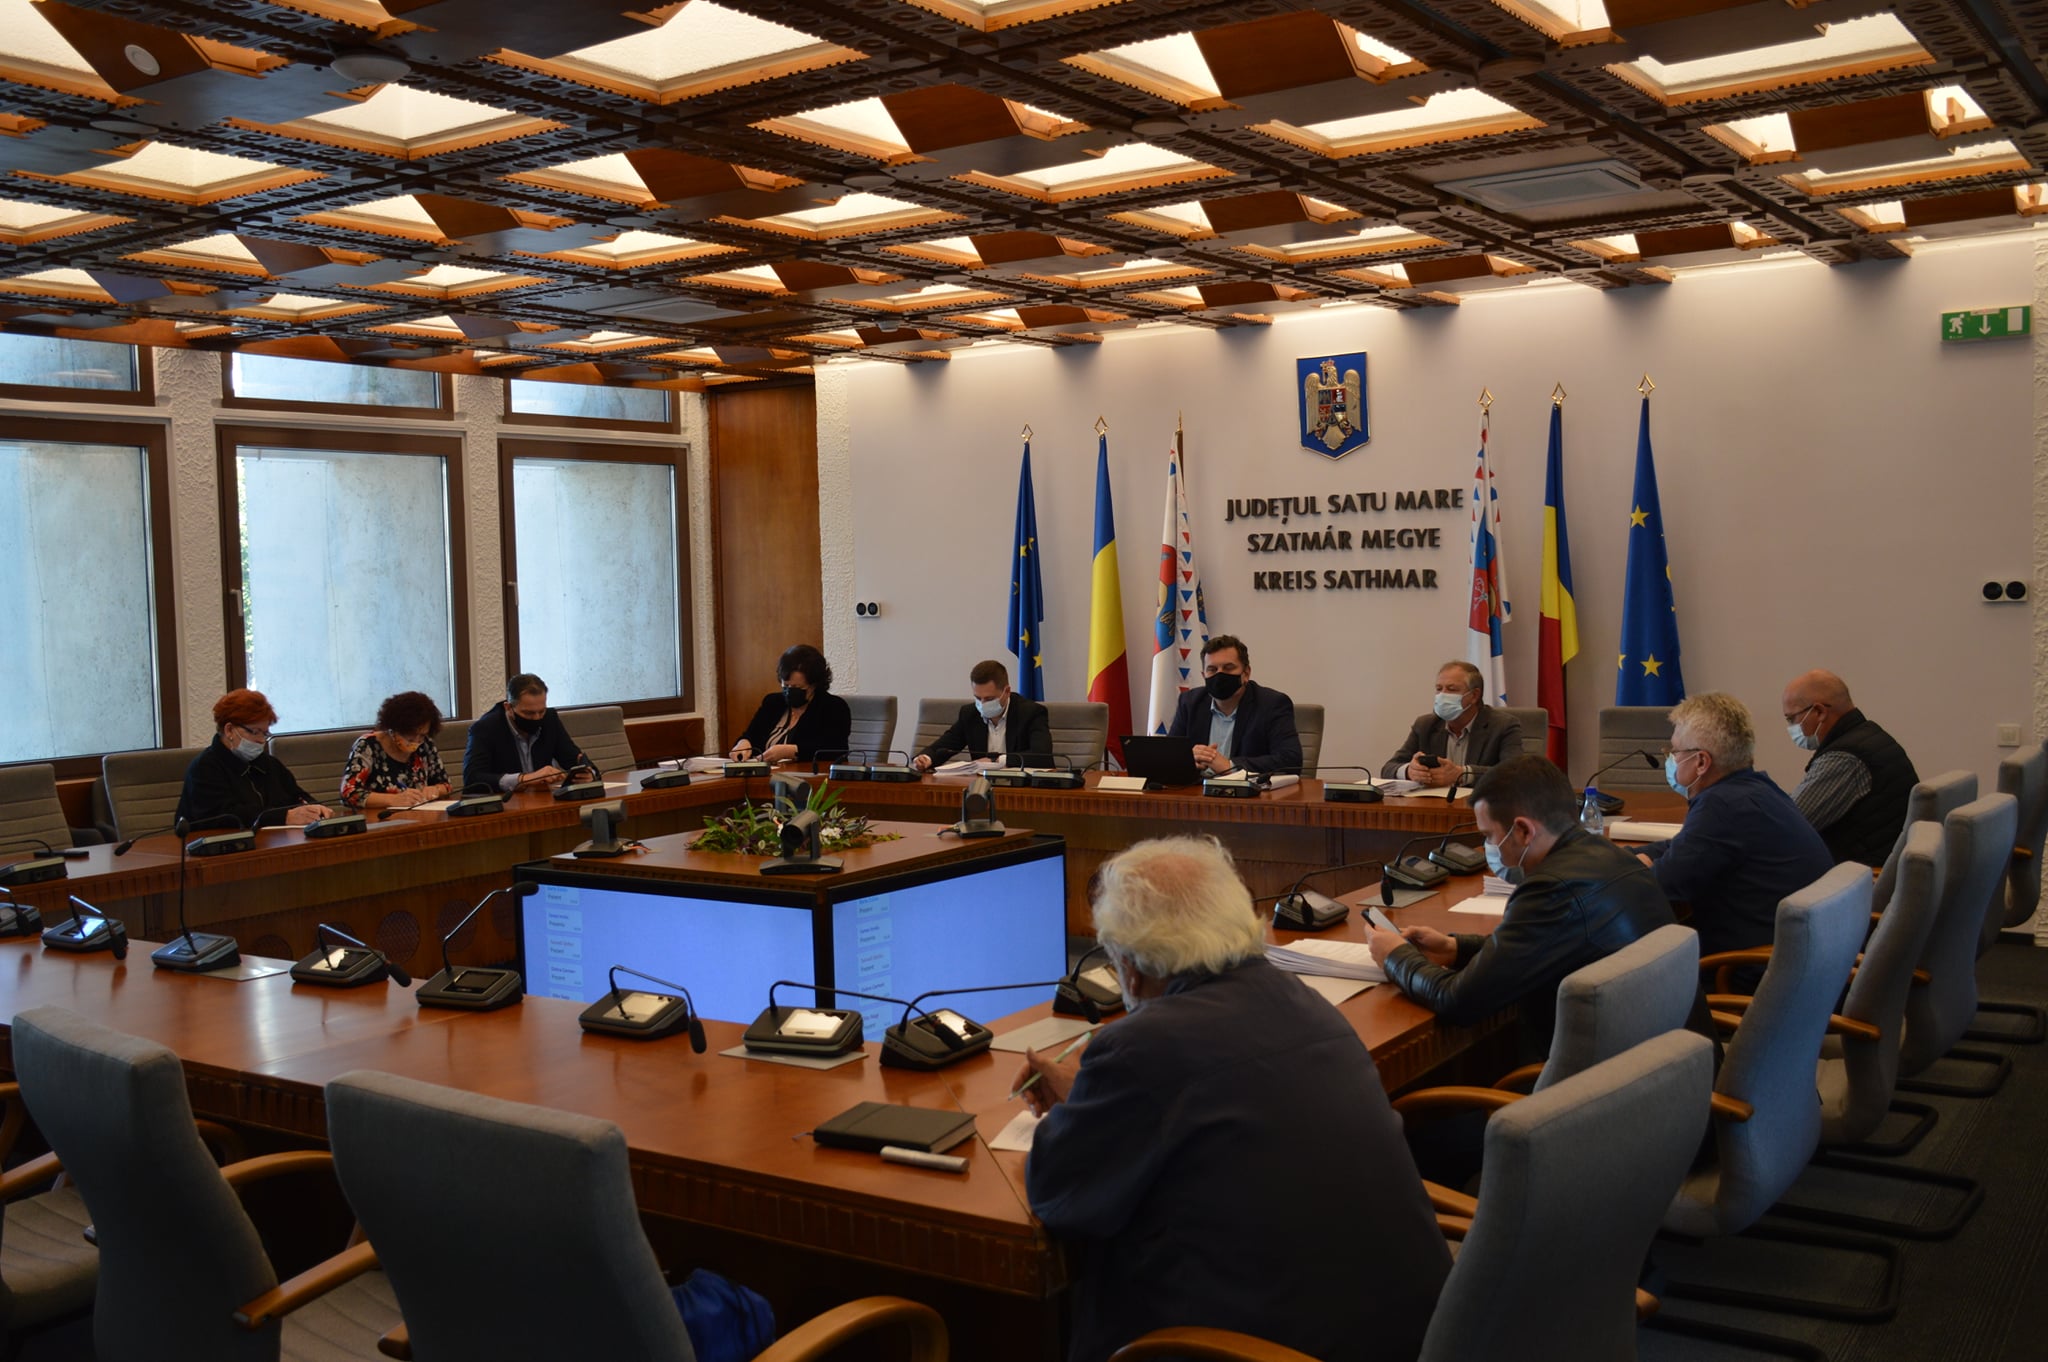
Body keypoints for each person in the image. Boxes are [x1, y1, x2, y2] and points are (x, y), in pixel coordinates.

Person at [1016, 837, 1448, 1362]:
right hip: (1412, 1333)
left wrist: (1076, 1108)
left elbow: (1057, 1193)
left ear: (1129, 965)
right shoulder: (1304, 1000)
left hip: (1259, 1347)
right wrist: (1087, 1096)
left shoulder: (1142, 1047)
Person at [1365, 755, 1696, 1064]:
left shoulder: (1550, 889)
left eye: (1489, 835)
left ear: (1523, 830)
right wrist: (1455, 948)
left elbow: (1457, 1002)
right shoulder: (1611, 856)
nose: (1490, 848)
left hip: (1605, 1090)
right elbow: (1548, 943)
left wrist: (1395, 957)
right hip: (1670, 1068)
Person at [1638, 692, 1835, 959]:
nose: (1670, 759)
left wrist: (1631, 867)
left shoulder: (1721, 806)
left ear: (1701, 762)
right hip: (1800, 957)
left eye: (1674, 751)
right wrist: (1629, 856)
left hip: (1741, 969)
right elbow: (1687, 846)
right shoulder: (1757, 788)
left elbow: (1661, 886)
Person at [1781, 669, 1919, 866]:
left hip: (1865, 875)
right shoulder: (1868, 735)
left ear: (1819, 712)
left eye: (1791, 718)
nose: (1790, 727)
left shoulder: (1845, 758)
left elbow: (1789, 826)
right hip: (1880, 865)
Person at [176, 689, 334, 829]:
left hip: (272, 843)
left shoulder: (269, 764)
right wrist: (283, 817)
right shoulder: (204, 768)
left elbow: (296, 796)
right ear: (229, 730)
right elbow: (223, 816)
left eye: (265, 733)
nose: (261, 740)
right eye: (255, 732)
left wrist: (315, 809)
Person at [1163, 635, 1302, 776]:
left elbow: (1291, 760)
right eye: (1212, 669)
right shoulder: (1189, 702)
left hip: (1246, 789)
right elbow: (1166, 756)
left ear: (1246, 673)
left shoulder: (1272, 704)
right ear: (1204, 675)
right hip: (1197, 787)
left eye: (1228, 668)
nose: (1220, 675)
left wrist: (1231, 766)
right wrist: (1186, 758)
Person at [1383, 661, 1523, 788]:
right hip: (1434, 805)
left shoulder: (1503, 725)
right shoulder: (1425, 725)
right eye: (1439, 689)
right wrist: (1409, 771)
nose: (1442, 695)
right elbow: (1388, 768)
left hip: (1479, 804)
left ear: (1474, 695)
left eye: (1452, 689)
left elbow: (1515, 773)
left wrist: (1462, 774)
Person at [912, 659, 1051, 771]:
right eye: (978, 698)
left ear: (1007, 691)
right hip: (981, 787)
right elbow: (943, 747)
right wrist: (926, 758)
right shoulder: (970, 714)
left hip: (1022, 789)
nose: (982, 704)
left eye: (989, 699)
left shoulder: (1031, 712)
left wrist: (996, 760)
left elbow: (1042, 756)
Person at [462, 674, 591, 794]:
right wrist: (524, 779)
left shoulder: (550, 719)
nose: (536, 718)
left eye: (541, 711)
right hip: (505, 804)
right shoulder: (485, 728)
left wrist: (588, 774)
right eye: (529, 713)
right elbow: (472, 778)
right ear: (508, 708)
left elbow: (574, 758)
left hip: (542, 800)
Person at [730, 644, 852, 765]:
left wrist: (792, 751)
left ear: (814, 685)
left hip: (811, 774)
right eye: (786, 686)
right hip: (767, 773)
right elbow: (751, 735)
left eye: (797, 687)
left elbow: (835, 750)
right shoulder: (772, 703)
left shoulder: (833, 707)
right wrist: (743, 743)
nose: (789, 692)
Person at [339, 691, 455, 811]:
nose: (416, 741)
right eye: (410, 736)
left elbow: (446, 785)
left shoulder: (425, 744)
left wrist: (436, 790)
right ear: (394, 729)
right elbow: (349, 793)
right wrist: (393, 799)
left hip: (421, 814)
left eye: (422, 735)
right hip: (381, 817)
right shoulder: (367, 745)